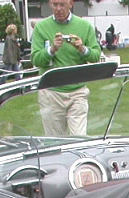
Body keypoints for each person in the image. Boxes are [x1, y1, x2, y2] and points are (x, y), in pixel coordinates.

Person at [30, 0, 101, 136]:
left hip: (77, 91)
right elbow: (35, 59)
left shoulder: (84, 26)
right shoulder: (41, 27)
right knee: (56, 143)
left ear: (71, 4)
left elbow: (96, 55)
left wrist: (82, 49)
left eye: (62, 5)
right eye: (54, 5)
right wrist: (52, 49)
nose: (58, 9)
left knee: (79, 139)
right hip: (51, 92)